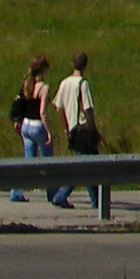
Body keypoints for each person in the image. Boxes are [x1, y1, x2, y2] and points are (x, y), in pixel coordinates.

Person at [52, 52, 103, 210]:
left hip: (73, 129)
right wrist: (94, 128)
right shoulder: (83, 84)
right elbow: (87, 108)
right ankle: (62, 196)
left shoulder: (64, 82)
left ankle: (97, 200)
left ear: (72, 64)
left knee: (86, 166)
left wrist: (66, 127)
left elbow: (58, 107)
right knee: (88, 167)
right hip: (83, 129)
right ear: (85, 66)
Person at [8, 55, 53, 202]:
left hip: (26, 125)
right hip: (37, 125)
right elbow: (43, 112)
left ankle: (16, 191)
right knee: (49, 162)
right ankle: (52, 193)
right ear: (43, 70)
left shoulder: (26, 84)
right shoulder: (43, 87)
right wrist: (49, 131)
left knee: (28, 162)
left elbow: (18, 102)